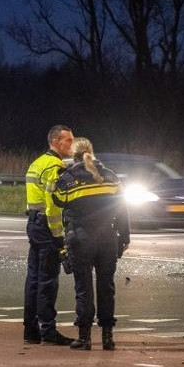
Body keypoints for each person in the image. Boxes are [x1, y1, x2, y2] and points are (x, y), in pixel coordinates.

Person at [52, 138, 129, 351]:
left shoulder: (68, 178)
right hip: (107, 238)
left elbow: (57, 200)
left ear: (73, 155)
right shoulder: (110, 176)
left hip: (81, 237)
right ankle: (107, 337)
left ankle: (84, 338)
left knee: (83, 287)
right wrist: (124, 237)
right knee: (107, 286)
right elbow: (123, 209)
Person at [23, 124, 76, 345]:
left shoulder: (37, 163)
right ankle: (48, 330)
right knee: (48, 281)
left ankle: (31, 330)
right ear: (56, 141)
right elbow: (53, 206)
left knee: (33, 279)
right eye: (68, 140)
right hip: (46, 227)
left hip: (33, 223)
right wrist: (58, 237)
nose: (72, 145)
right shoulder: (55, 167)